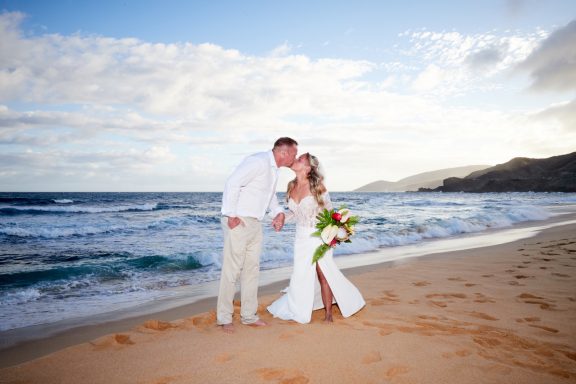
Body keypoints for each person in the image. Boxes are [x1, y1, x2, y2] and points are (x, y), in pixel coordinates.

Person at [267, 153, 365, 323]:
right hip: (301, 237)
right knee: (300, 274)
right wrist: (281, 219)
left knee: (323, 273)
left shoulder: (317, 187)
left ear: (308, 167)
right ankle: (298, 308)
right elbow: (295, 212)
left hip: (318, 236)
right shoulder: (291, 185)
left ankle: (328, 314)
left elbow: (330, 212)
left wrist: (333, 233)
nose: (295, 160)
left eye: (300, 160)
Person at [217, 137, 298, 333]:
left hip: (255, 223)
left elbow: (268, 196)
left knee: (252, 270)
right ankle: (224, 317)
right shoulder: (258, 161)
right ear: (283, 152)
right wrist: (231, 215)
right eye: (294, 153)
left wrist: (278, 212)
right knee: (232, 270)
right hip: (239, 221)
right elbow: (233, 182)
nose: (295, 157)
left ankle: (248, 316)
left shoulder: (273, 170)